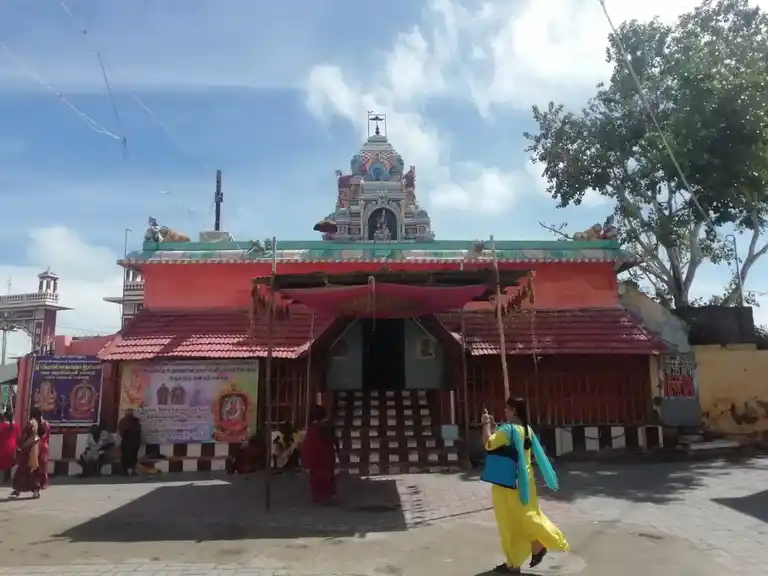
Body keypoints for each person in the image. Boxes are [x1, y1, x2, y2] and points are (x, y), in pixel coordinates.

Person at [482, 398, 569, 574]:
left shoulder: (508, 430)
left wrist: (485, 424)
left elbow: (489, 444)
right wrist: (495, 426)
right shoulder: (526, 429)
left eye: (507, 409)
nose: (504, 412)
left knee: (509, 522)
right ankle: (521, 557)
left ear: (513, 411)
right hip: (526, 482)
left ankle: (526, 552)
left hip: (508, 483)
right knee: (525, 517)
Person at [300, 405, 338, 504]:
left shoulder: (313, 428)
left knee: (317, 479)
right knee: (328, 477)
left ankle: (320, 497)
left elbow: (309, 446)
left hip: (316, 458)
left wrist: (307, 462)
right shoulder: (329, 426)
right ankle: (329, 496)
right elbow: (334, 441)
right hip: (328, 455)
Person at [10, 418, 41, 498]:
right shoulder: (25, 436)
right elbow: (19, 442)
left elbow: (35, 452)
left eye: (30, 425)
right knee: (20, 475)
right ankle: (17, 491)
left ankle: (35, 492)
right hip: (24, 460)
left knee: (33, 477)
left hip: (31, 460)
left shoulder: (35, 438)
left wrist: (33, 462)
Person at [30, 407, 50, 491]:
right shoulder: (46, 424)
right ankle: (43, 483)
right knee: (43, 466)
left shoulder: (34, 424)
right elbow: (47, 436)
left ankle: (36, 483)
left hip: (36, 446)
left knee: (36, 465)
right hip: (44, 446)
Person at [118, 409, 142, 476]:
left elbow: (121, 431)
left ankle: (125, 472)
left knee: (125, 457)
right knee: (133, 457)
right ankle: (132, 471)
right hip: (134, 443)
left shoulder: (123, 421)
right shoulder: (136, 421)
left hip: (126, 442)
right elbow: (139, 432)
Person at [0, 411, 17, 484]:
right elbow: (18, 437)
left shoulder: (1, 425)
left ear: (4, 417)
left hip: (3, 447)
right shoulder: (16, 425)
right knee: (9, 463)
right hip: (13, 447)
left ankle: (2, 480)